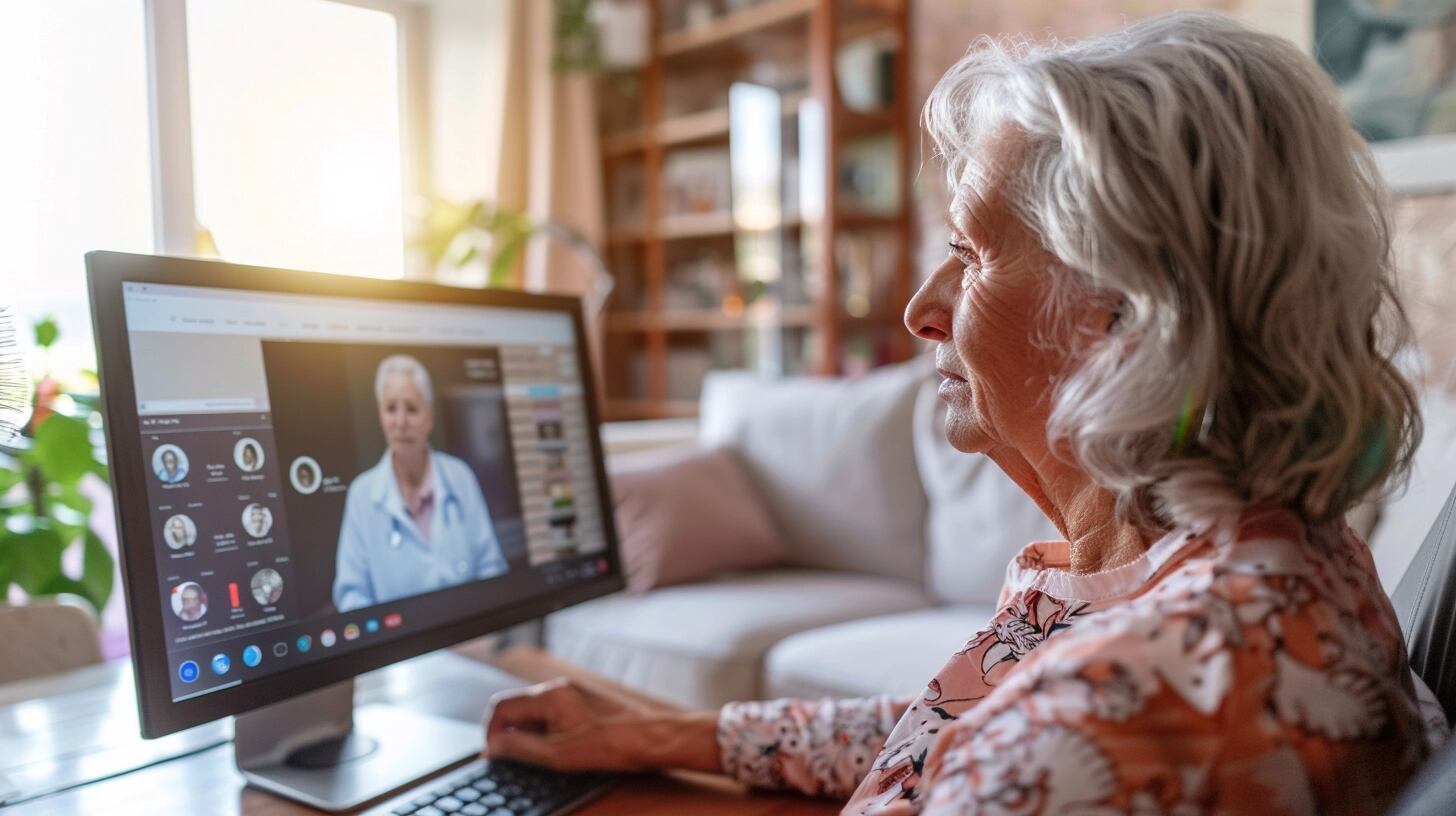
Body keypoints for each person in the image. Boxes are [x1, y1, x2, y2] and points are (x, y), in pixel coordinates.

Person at [480, 12, 1449, 814]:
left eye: (973, 255)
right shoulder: (1277, 560)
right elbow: (960, 720)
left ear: (1131, 316)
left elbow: (1026, 746)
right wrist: (663, 730)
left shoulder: (1078, 744)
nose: (919, 310)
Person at [333, 354, 508, 613]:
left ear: (429, 416)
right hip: (398, 646)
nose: (401, 423)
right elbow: (351, 596)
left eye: (412, 408)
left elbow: (492, 569)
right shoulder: (362, 494)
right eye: (391, 408)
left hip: (469, 636)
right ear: (381, 416)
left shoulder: (460, 476)